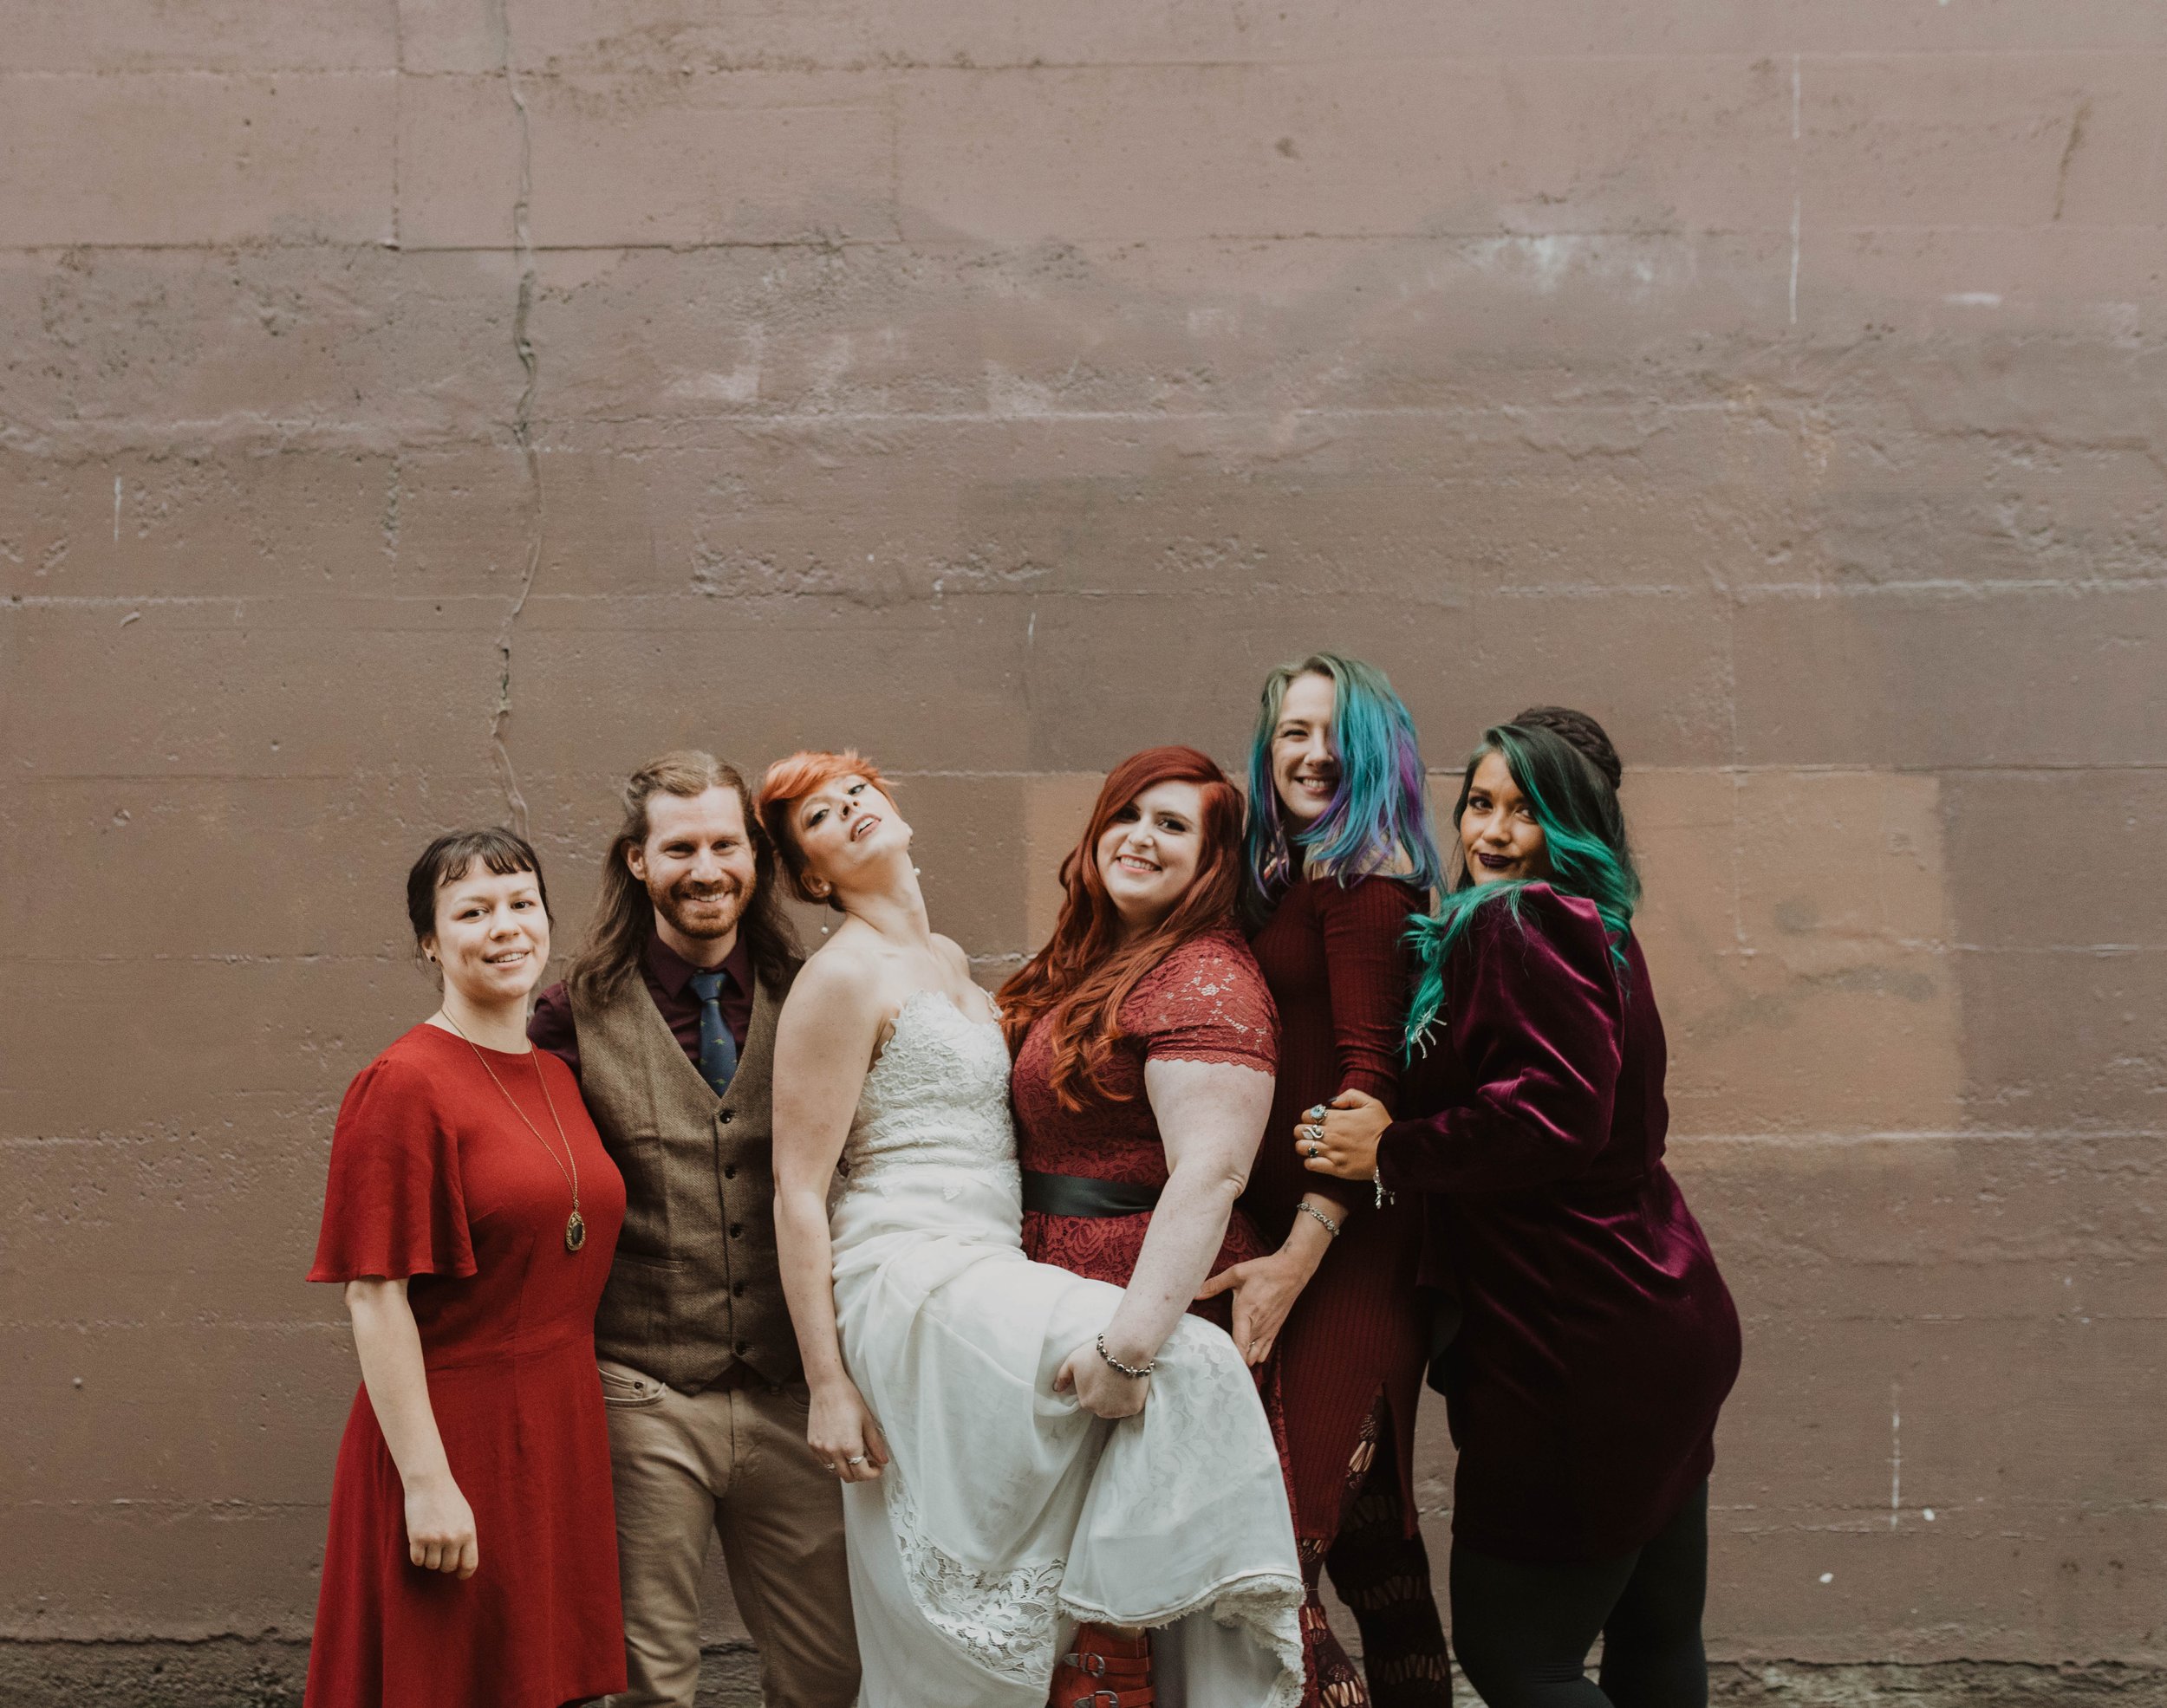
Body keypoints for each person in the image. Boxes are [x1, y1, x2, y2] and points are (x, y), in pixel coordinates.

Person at [759, 750, 1303, 1708]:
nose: (846, 810)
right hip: (909, 1268)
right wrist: (826, 1384)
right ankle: (1138, 1655)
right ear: (810, 876)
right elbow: (798, 1190)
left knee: (1009, 1546)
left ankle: (1106, 1652)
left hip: (990, 1258)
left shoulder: (957, 969)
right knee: (1185, 1366)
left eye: (856, 791)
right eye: (815, 817)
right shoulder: (838, 977)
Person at [1301, 715, 1742, 1708]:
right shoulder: (1595, 925)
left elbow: (1554, 1115)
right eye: (1479, 803)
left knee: (1517, 1658)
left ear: (1574, 824)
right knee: (1653, 1631)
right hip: (1660, 1314)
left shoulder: (1516, 922)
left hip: (1571, 1344)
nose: (1492, 832)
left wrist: (1394, 1148)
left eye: (1526, 812)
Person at [996, 744, 1328, 1703]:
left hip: (1153, 1318)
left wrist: (1131, 1349)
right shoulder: (1092, 958)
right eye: (1127, 815)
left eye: (1172, 826)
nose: (1140, 838)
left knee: (1157, 1606)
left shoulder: (1203, 979)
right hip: (1065, 1288)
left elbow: (1211, 1172)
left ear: (1211, 861)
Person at [527, 751, 857, 1708]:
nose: (704, 867)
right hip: (641, 1390)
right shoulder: (572, 1012)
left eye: (724, 843)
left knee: (829, 1671)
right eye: (679, 847)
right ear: (638, 861)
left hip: (796, 1394)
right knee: (647, 1679)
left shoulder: (817, 990)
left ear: (754, 855)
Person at [306, 828, 628, 1708]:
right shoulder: (403, 1082)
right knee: (445, 1679)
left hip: (554, 1430)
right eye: (473, 911)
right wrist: (427, 1482)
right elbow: (375, 1297)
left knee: (535, 1681)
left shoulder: (557, 1077)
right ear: (430, 940)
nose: (505, 927)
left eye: (522, 903)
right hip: (451, 1435)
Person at [1213, 655, 1453, 1707]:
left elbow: (1370, 1081)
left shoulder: (1365, 882)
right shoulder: (1294, 881)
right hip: (1300, 1252)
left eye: (1333, 733)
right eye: (1289, 734)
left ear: (1379, 754)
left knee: (1275, 1561)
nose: (1311, 755)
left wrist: (1292, 1259)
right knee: (1381, 1575)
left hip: (1343, 1264)